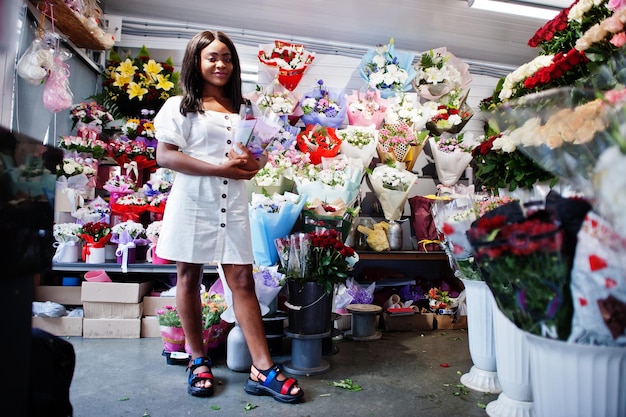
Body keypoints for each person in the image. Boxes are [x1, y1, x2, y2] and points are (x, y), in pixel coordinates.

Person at [153, 30, 303, 403]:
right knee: (189, 277)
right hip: (193, 200)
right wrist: (220, 167)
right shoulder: (180, 106)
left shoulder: (246, 106)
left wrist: (255, 163)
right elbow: (165, 156)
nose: (221, 64)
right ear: (197, 62)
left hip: (233, 202)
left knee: (242, 280)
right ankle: (197, 359)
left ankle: (263, 367)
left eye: (227, 58)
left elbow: (258, 153)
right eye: (212, 57)